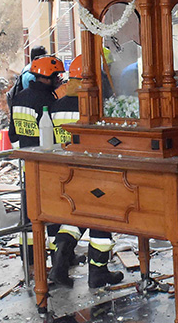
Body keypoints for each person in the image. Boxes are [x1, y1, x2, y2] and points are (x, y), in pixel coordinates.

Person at [46, 59, 125, 289]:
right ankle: (98, 272)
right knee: (101, 218)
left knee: (74, 218)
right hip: (93, 172)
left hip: (67, 172)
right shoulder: (93, 106)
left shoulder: (57, 106)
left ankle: (60, 262)